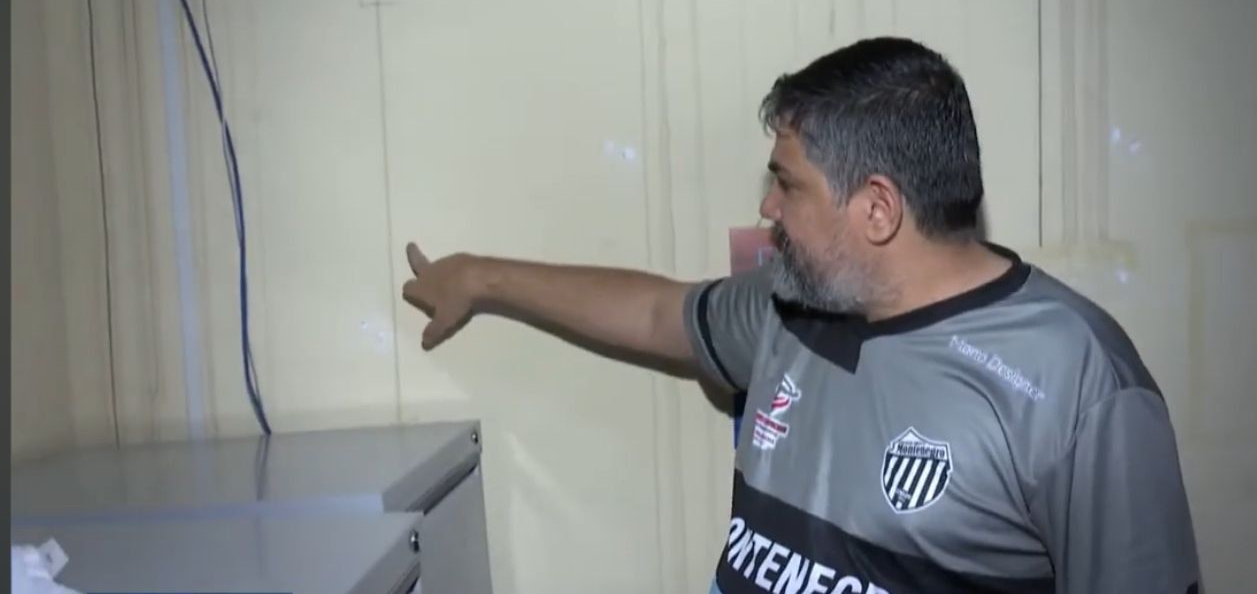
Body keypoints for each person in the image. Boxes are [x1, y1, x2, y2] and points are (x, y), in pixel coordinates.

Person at [402, 37, 1202, 594]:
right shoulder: (795, 303)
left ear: (877, 208)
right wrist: (481, 278)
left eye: (786, 183)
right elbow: (654, 313)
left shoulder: (1074, 381)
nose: (767, 206)